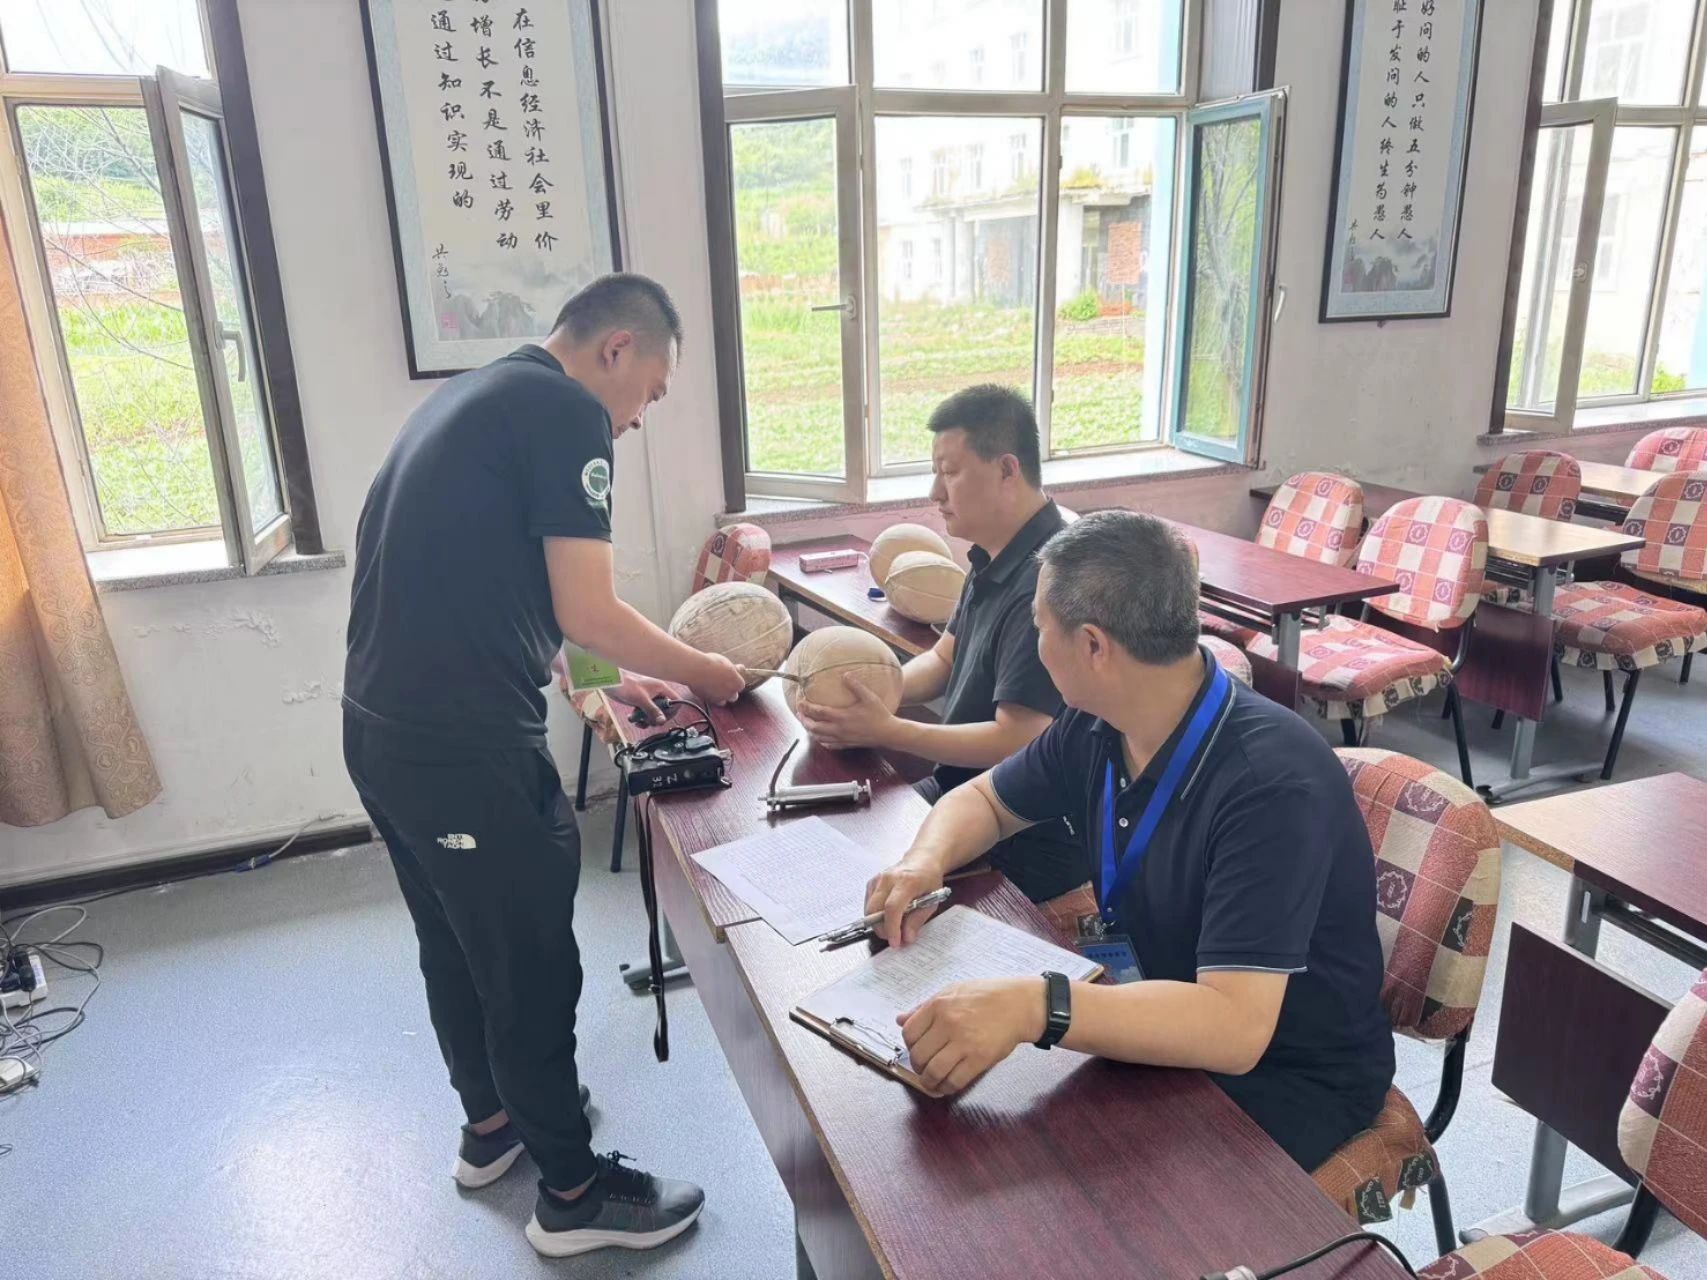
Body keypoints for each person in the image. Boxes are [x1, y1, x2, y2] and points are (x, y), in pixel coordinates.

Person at [342, 273, 746, 1258]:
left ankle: (493, 1126)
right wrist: (707, 672)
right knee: (527, 958)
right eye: (651, 391)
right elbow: (588, 606)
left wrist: (601, 679)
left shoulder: (477, 395)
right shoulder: (568, 414)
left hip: (386, 737)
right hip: (463, 751)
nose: (640, 418)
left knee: (457, 937)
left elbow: (508, 590)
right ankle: (572, 1192)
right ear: (616, 349)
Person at [863, 510, 1394, 1172]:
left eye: (1038, 627)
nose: (1034, 642)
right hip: (1159, 1007)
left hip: (1286, 1073)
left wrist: (1036, 1006)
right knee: (986, 1139)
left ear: (1093, 646)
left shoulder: (1271, 784)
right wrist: (923, 861)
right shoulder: (1098, 721)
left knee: (1044, 1181)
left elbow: (1234, 1028)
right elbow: (986, 801)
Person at [795, 386, 1086, 911]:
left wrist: (887, 730)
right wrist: (863, 695)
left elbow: (1017, 738)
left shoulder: (1047, 578)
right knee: (827, 845)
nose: (935, 491)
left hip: (1020, 832)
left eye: (949, 472)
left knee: (859, 892)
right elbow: (944, 659)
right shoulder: (993, 553)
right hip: (960, 794)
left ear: (1007, 469)